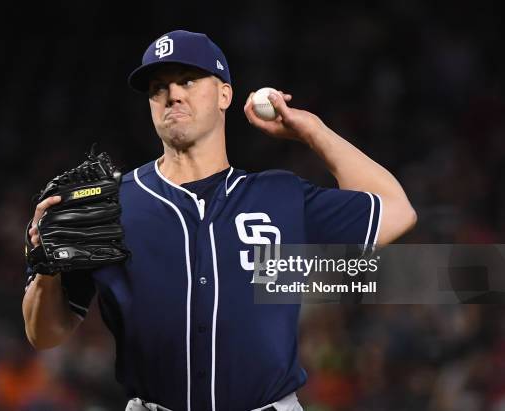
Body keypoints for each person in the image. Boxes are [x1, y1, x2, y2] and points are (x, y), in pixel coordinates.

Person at [22, 30, 416, 411]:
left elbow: (397, 211)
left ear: (224, 94)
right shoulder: (110, 205)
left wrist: (312, 131)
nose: (173, 94)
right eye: (158, 87)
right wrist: (46, 274)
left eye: (189, 80)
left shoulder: (278, 197)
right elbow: (44, 334)